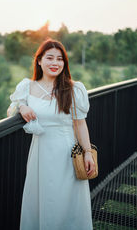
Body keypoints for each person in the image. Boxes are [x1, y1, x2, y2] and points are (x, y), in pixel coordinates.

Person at [7, 39, 95, 230]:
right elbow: (11, 107)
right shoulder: (27, 87)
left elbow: (80, 124)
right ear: (39, 61)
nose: (55, 63)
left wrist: (88, 152)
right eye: (49, 58)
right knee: (42, 199)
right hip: (40, 154)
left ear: (65, 63)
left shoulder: (73, 88)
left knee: (66, 201)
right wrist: (22, 106)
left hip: (67, 153)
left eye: (60, 59)